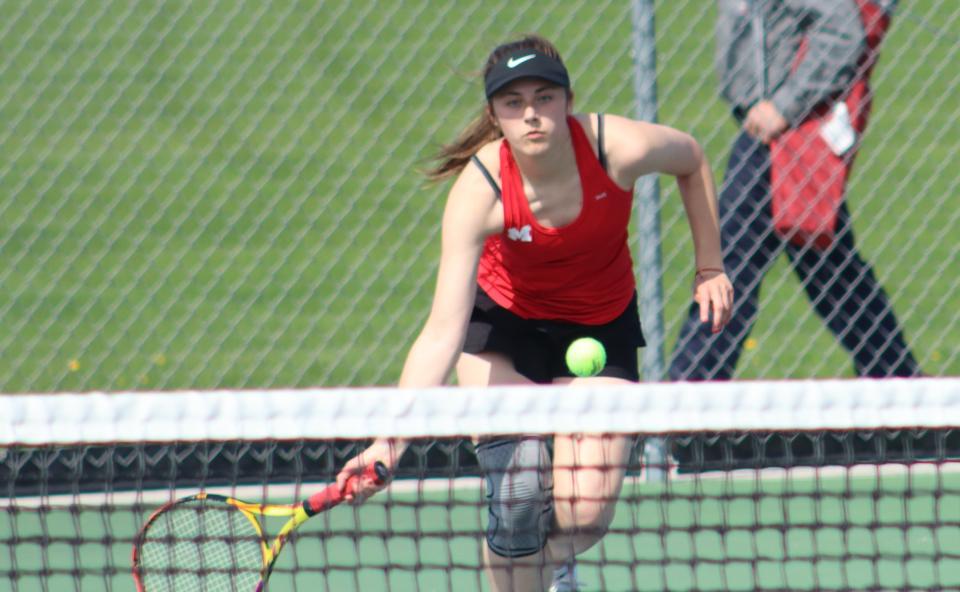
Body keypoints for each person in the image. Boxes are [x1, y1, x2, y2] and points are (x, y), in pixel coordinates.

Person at [335, 34, 733, 591]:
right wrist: (388, 442)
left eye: (544, 97)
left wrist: (709, 265)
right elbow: (442, 333)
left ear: (567, 101)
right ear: (495, 116)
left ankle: (546, 568)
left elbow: (691, 157)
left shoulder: (613, 147)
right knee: (519, 495)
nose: (532, 115)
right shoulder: (482, 191)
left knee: (585, 515)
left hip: (601, 325)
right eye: (513, 104)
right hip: (503, 328)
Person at [670, 0, 921, 381]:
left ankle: (682, 407)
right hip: (772, 131)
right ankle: (903, 388)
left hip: (783, 136)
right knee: (829, 266)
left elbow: (842, 32)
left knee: (729, 266)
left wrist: (784, 107)